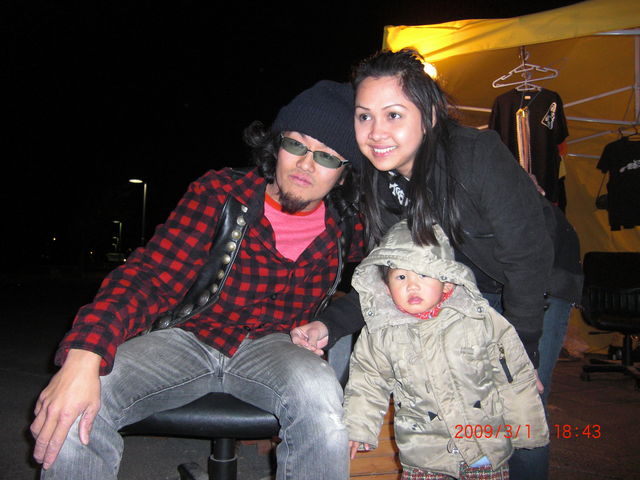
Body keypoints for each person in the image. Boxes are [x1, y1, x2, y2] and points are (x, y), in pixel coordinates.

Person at [30, 80, 365, 480]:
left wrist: (333, 322)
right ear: (276, 147)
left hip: (278, 347)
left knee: (324, 404)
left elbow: (392, 275)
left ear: (344, 175)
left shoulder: (348, 226)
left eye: (327, 156)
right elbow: (150, 277)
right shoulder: (221, 193)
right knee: (72, 410)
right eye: (296, 145)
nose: (306, 164)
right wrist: (86, 351)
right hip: (188, 337)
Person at [291, 50, 582, 479]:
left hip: (537, 279)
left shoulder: (475, 154)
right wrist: (329, 325)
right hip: (459, 284)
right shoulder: (379, 182)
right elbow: (386, 275)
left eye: (393, 115)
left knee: (516, 403)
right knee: (457, 399)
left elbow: (527, 256)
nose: (376, 132)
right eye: (364, 116)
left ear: (428, 116)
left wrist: (519, 349)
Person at [343, 220, 549, 479]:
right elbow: (367, 381)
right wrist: (357, 428)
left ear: (448, 283)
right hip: (424, 454)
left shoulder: (478, 319)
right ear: (386, 287)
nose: (412, 285)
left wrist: (526, 427)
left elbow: (512, 376)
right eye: (401, 276)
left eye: (424, 274)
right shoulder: (380, 332)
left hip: (483, 446)